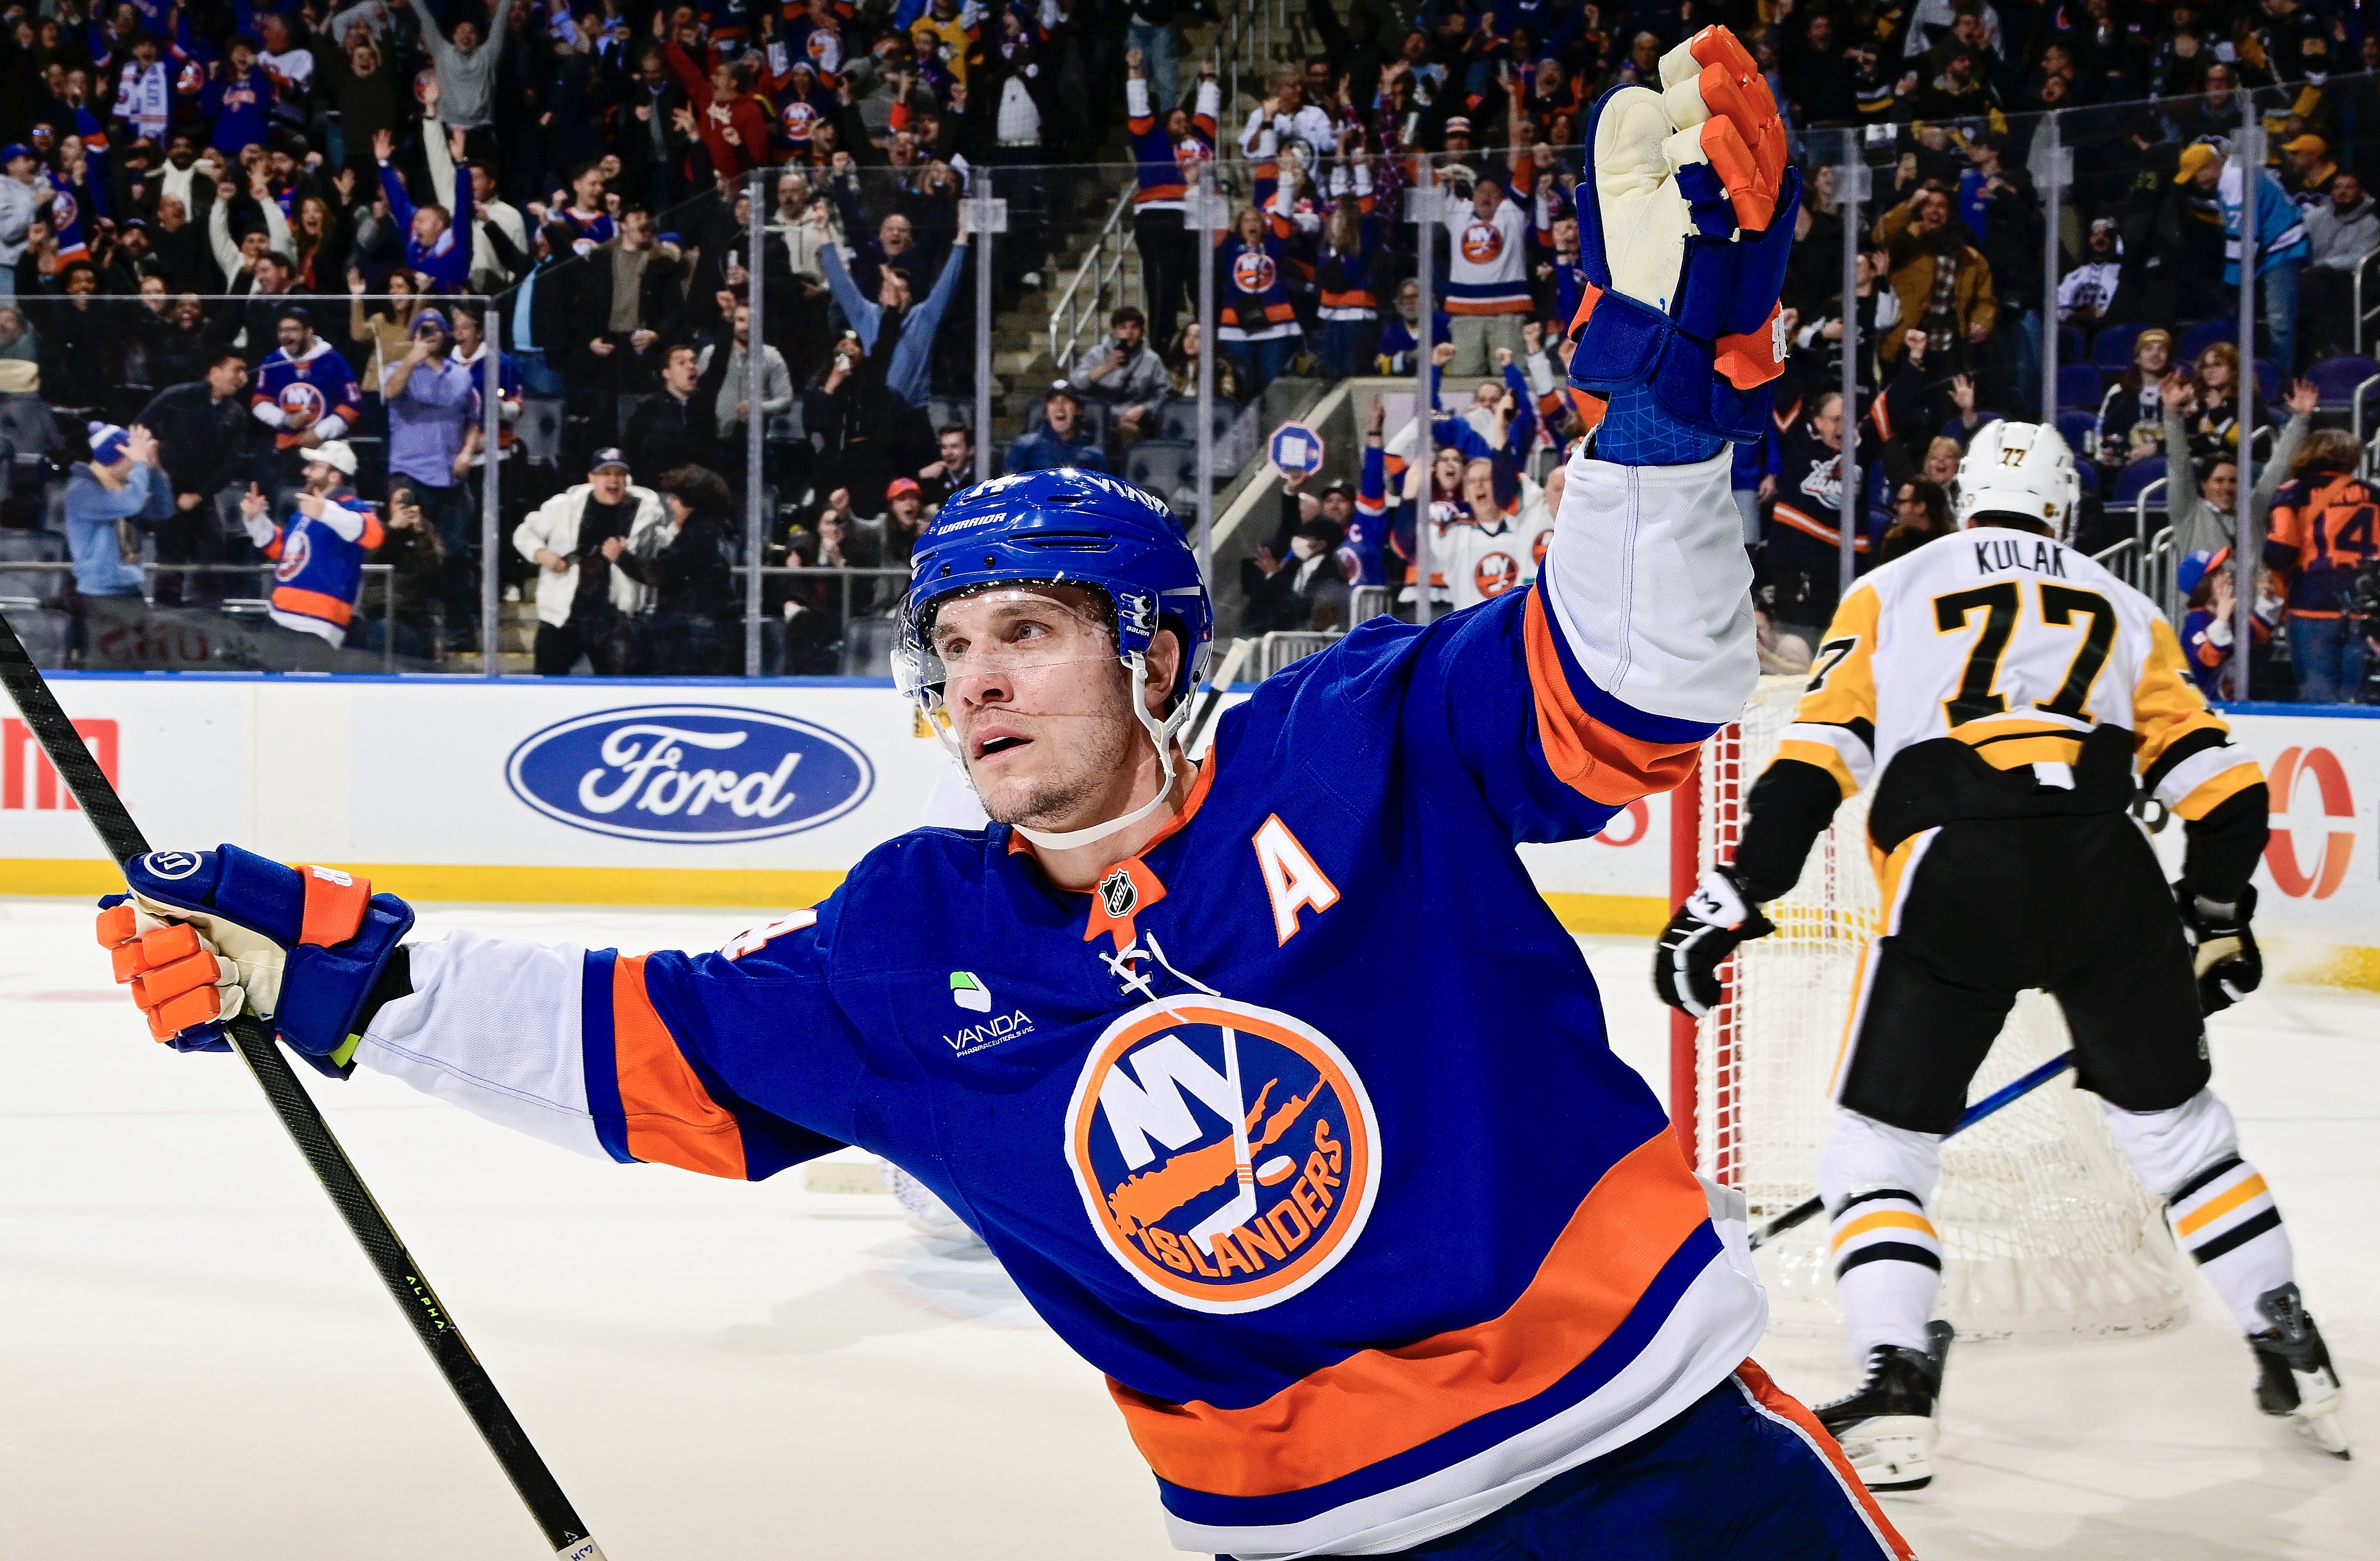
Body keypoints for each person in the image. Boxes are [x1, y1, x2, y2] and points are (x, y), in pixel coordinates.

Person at [89, 36, 1916, 1558]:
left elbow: (1639, 681)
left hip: (1667, 1478)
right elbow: (634, 1048)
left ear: (1160, 659)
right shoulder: (913, 944)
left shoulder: (1358, 747)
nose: (976, 676)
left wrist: (1666, 406)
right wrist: (320, 965)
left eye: (1031, 629)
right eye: (955, 637)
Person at [1656, 419, 2348, 1489]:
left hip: (1955, 871)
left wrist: (1739, 889)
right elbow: (2227, 789)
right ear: (2065, 508)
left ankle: (1896, 1385)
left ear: (1962, 497)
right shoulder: (2126, 603)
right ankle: (2292, 1346)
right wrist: (2214, 915)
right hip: (2105, 865)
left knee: (1877, 1150)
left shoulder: (1895, 584)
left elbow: (1816, 760)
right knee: (2180, 1135)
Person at [512, 447, 667, 675]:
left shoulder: (646, 511)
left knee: (619, 689)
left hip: (615, 618)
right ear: (591, 478)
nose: (613, 480)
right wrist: (542, 555)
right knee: (547, 683)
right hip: (564, 615)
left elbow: (660, 550)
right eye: (606, 474)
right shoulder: (563, 506)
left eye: (619, 474)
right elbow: (524, 533)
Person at [2264, 430, 2379, 703]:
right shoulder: (2375, 495)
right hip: (2366, 608)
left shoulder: (2291, 493)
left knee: (2318, 702)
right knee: (2357, 703)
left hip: (2312, 605)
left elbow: (2280, 553)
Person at [233, 440, 380, 654]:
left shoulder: (351, 507)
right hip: (281, 616)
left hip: (316, 623)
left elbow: (375, 535)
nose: (306, 471)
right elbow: (286, 553)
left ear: (334, 476)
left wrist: (327, 513)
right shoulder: (307, 510)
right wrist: (257, 520)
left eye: (315, 467)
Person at [136, 351, 256, 602]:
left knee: (214, 551)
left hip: (202, 493)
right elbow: (140, 429)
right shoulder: (177, 396)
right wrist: (155, 470)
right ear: (214, 372)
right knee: (170, 552)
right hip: (166, 488)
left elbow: (234, 461)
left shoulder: (236, 413)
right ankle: (164, 613)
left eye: (245, 371)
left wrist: (200, 495)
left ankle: (207, 615)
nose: (243, 378)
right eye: (237, 370)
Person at [609, 463, 738, 674]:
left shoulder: (698, 535)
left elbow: (661, 573)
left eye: (676, 499)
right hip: (703, 630)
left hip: (694, 636)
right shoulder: (714, 529)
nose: (669, 503)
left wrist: (621, 557)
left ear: (693, 503)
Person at [64, 421, 169, 598]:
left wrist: (154, 469)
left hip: (131, 589)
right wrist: (141, 465)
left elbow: (162, 511)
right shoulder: (82, 490)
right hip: (98, 594)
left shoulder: (125, 487)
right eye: (132, 461)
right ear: (116, 460)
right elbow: (131, 505)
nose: (135, 466)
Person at [1072, 306, 1169, 445]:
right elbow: (1076, 384)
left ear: (1142, 332)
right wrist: (1107, 368)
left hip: (1130, 417)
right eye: (1123, 328)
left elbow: (1163, 394)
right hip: (1096, 416)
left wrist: (1144, 409)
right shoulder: (1096, 354)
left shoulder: (1152, 360)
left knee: (1128, 430)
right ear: (1114, 331)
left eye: (1134, 328)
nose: (1129, 333)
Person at [1006, 382, 1107, 473]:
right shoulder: (1024, 447)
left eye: (1066, 401)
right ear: (1046, 412)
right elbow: (1010, 489)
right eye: (1054, 402)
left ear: (1078, 410)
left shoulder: (1095, 455)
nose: (1060, 407)